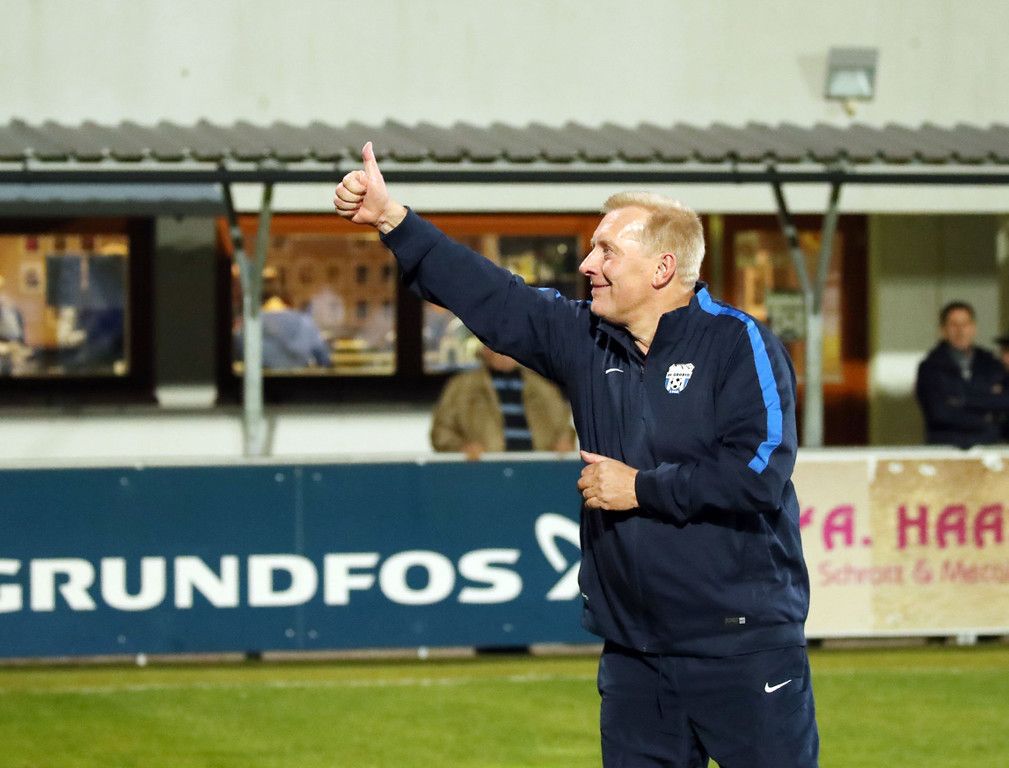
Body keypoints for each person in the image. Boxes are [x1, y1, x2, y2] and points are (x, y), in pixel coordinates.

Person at [334, 143, 817, 768]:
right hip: (634, 654)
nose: (588, 265)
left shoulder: (739, 343)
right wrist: (392, 219)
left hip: (743, 648)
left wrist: (639, 488)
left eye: (607, 251)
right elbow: (492, 296)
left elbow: (758, 474)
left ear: (663, 267)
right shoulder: (587, 336)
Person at [431, 343, 576, 460]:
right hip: (483, 472)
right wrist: (461, 448)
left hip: (539, 472)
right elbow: (441, 433)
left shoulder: (544, 388)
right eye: (496, 343)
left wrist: (564, 445)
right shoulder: (461, 387)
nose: (505, 351)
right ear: (484, 348)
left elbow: (565, 429)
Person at [915, 301, 1009, 448]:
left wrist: (962, 400)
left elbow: (1005, 402)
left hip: (989, 448)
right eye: (954, 325)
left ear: (974, 328)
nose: (960, 331)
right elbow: (939, 413)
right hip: (945, 449)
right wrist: (986, 413)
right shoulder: (930, 368)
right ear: (943, 330)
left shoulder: (991, 364)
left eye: (965, 324)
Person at [235, 268, 331, 370]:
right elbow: (323, 358)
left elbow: (239, 356)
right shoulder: (305, 322)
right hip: (299, 378)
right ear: (287, 298)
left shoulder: (250, 325)